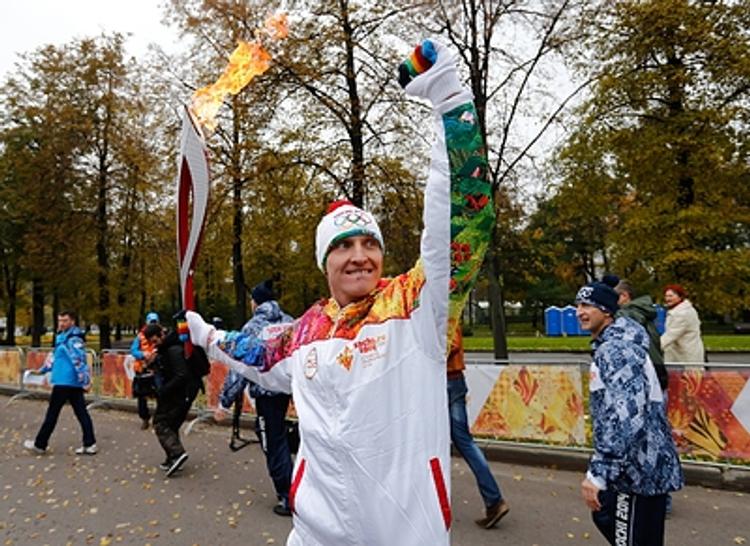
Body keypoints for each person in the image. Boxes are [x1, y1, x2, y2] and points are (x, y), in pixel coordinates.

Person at [186, 39, 494, 545]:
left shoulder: (418, 305)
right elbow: (255, 354)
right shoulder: (306, 330)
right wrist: (203, 332)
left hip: (406, 534)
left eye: (369, 243)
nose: (359, 256)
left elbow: (464, 222)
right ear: (324, 262)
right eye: (344, 246)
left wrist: (450, 100)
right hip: (316, 534)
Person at [575, 281, 683, 545]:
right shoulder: (618, 344)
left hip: (635, 471)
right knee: (610, 521)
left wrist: (599, 473)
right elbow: (640, 403)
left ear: (607, 311)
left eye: (588, 305)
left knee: (617, 526)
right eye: (577, 305)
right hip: (637, 466)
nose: (580, 311)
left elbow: (627, 415)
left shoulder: (616, 350)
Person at [214, 279, 294, 517]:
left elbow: (241, 367)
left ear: (256, 302)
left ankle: (287, 496)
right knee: (276, 435)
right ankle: (294, 479)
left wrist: (224, 402)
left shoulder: (253, 326)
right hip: (285, 390)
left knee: (273, 443)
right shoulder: (289, 321)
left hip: (266, 394)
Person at [447, 328, 509, 529]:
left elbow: (449, 345)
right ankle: (493, 500)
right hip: (453, 379)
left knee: (427, 442)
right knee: (464, 442)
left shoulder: (441, 307)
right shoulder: (449, 304)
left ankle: (423, 505)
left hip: (442, 380)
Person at [24, 310, 97, 455]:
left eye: (65, 320)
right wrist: (42, 370)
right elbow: (55, 358)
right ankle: (90, 444)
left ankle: (40, 444)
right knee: (81, 412)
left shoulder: (74, 339)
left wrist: (86, 381)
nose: (62, 323)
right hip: (67, 381)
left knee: (53, 414)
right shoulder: (62, 337)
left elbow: (79, 361)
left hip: (66, 382)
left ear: (72, 321)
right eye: (60, 320)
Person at [144, 322, 203, 477]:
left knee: (161, 422)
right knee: (171, 423)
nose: (154, 345)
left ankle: (176, 454)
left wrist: (163, 390)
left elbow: (181, 375)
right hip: (179, 391)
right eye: (151, 343)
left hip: (180, 392)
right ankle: (172, 457)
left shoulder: (174, 349)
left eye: (155, 341)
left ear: (162, 334)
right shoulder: (168, 347)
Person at [612, 278, 668, 392]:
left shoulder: (626, 314)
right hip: (655, 364)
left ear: (624, 296)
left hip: (643, 368)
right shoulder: (642, 311)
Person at [130, 311, 161, 429]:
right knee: (141, 396)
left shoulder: (161, 335)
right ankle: (145, 418)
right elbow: (133, 350)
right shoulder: (140, 336)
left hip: (157, 369)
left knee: (160, 394)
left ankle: (159, 419)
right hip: (142, 369)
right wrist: (143, 354)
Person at [661, 284, 705, 364]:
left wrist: (650, 349)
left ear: (680, 297)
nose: (667, 299)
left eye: (671, 296)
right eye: (666, 296)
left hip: (686, 357)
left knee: (688, 376)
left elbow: (670, 336)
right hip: (679, 354)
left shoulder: (683, 313)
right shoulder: (677, 310)